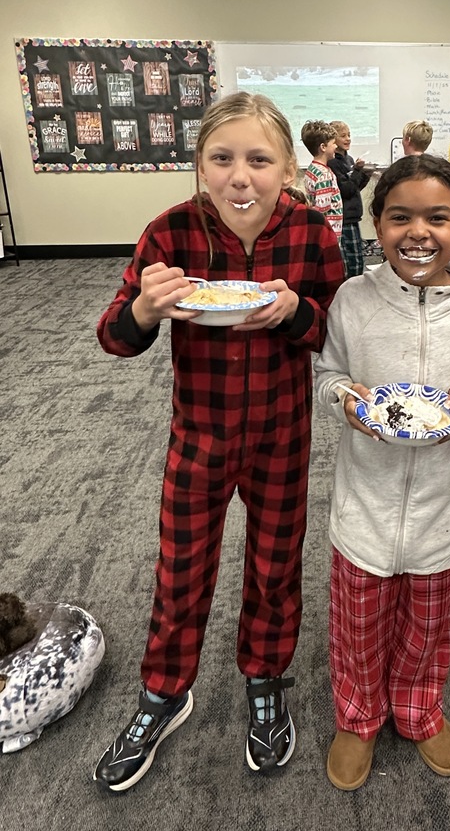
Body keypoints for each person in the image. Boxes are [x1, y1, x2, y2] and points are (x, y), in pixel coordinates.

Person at [93, 93, 345, 792]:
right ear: (199, 166)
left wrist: (297, 312)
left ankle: (265, 677)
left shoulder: (312, 235)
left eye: (259, 160)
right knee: (180, 572)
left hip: (282, 438)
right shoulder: (169, 232)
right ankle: (165, 691)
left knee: (274, 568)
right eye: (222, 158)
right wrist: (145, 307)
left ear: (288, 167)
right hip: (198, 438)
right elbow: (113, 336)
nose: (242, 176)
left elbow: (337, 330)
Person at [314, 154, 450, 791]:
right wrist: (345, 399)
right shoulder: (354, 299)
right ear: (377, 225)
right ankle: (357, 715)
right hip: (364, 508)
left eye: (437, 217)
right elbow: (327, 375)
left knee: (430, 628)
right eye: (400, 217)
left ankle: (419, 708)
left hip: (443, 508)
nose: (418, 232)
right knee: (358, 626)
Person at [328, 120, 372, 278]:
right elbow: (345, 190)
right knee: (351, 262)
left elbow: (355, 188)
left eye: (349, 135)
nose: (348, 139)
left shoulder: (350, 160)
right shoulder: (332, 163)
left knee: (359, 259)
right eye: (343, 136)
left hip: (354, 215)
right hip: (344, 219)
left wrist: (365, 174)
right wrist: (357, 171)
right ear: (333, 140)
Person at [301, 119, 343, 240]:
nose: (336, 146)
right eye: (333, 143)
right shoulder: (324, 174)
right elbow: (322, 208)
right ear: (323, 147)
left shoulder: (312, 169)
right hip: (328, 232)